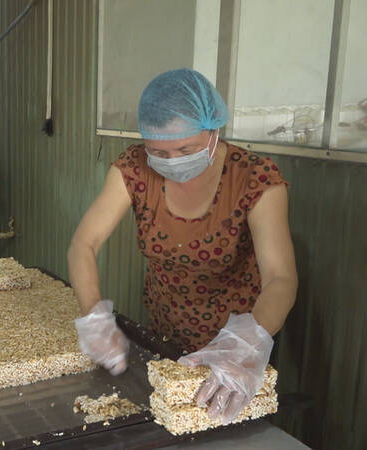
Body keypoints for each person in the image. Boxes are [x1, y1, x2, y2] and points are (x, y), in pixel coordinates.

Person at [68, 69, 297, 424]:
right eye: (159, 151)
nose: (172, 161)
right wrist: (94, 318)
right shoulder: (134, 168)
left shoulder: (255, 178)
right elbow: (84, 242)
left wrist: (247, 343)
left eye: (186, 149)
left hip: (239, 342)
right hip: (164, 332)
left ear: (214, 130)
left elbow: (281, 278)